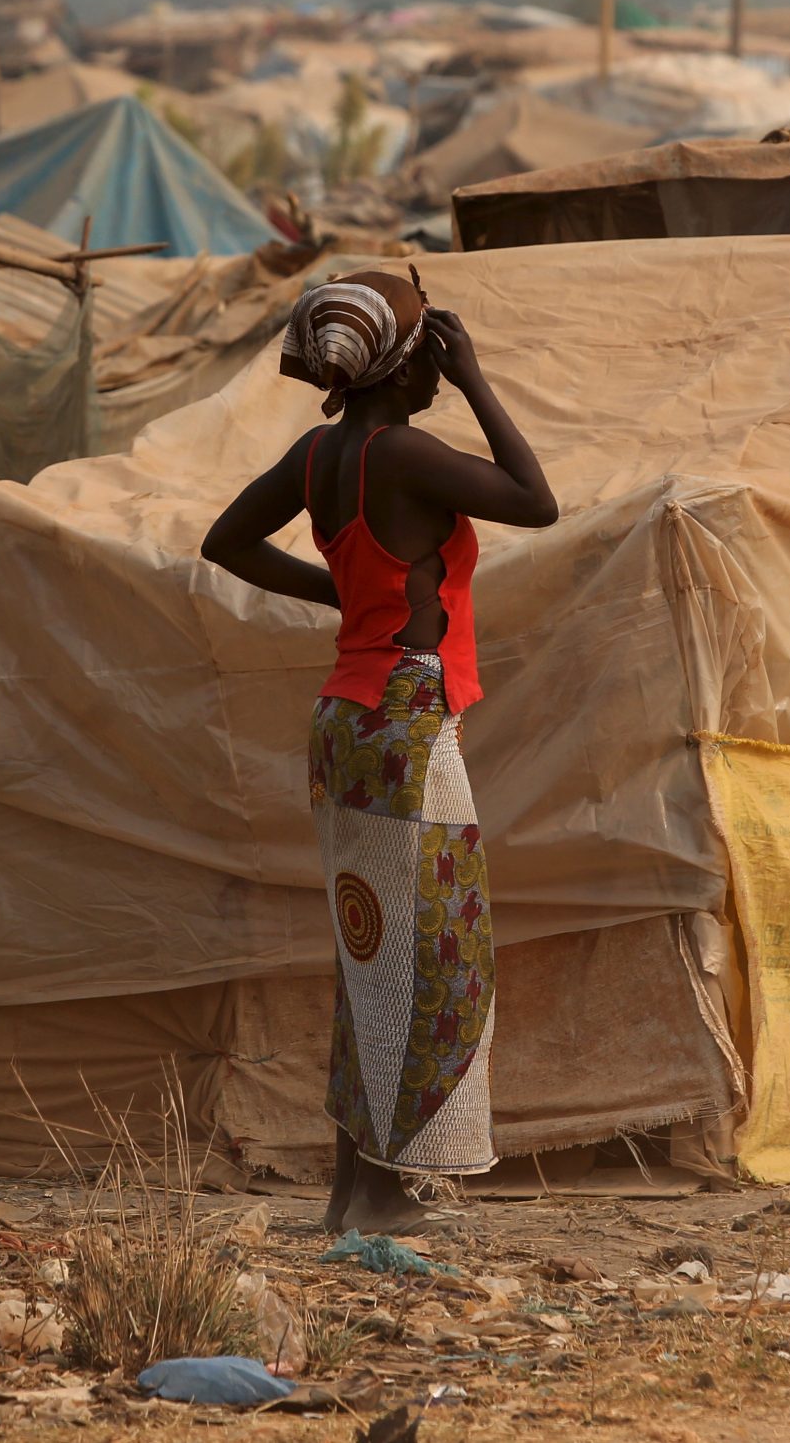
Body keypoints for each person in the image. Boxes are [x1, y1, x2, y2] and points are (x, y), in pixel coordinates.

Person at [202, 267, 557, 1234]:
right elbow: (538, 500)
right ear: (408, 366)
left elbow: (225, 540)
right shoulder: (404, 454)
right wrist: (481, 380)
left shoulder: (321, 453)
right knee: (440, 955)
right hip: (405, 718)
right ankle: (392, 1189)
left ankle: (353, 1189)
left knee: (371, 949)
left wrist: (345, 598)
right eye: (434, 355)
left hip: (343, 725)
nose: (442, 370)